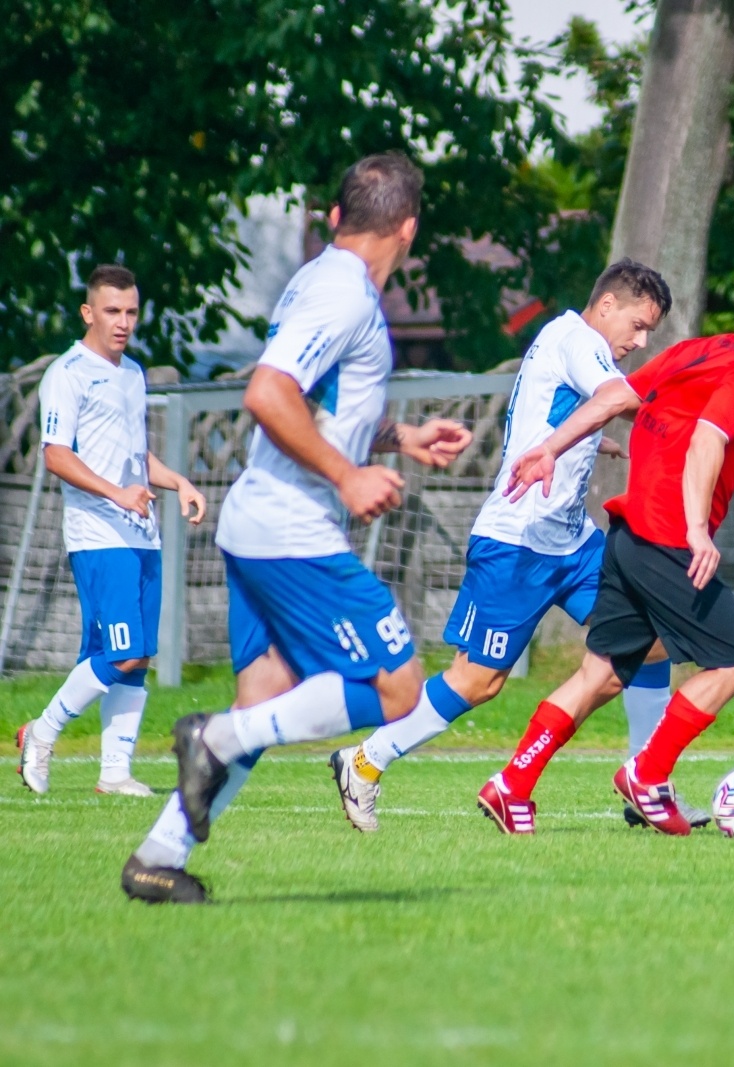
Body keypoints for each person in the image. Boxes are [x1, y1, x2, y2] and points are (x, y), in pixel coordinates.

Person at [120, 154, 473, 904]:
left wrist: (396, 436)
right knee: (399, 687)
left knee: (265, 701)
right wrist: (346, 477)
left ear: (338, 218)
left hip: (259, 524)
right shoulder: (345, 296)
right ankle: (210, 739)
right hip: (294, 530)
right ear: (409, 228)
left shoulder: (318, 279)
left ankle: (157, 856)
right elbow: (268, 392)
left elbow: (316, 405)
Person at [326, 260, 711, 831]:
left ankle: (645, 782)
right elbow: (617, 395)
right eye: (637, 324)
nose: (641, 340)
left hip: (571, 542)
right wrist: (686, 404)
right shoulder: (579, 340)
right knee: (478, 681)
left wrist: (594, 442)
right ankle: (363, 760)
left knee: (650, 639)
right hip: (516, 542)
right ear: (606, 305)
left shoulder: (568, 339)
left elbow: (549, 407)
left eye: (649, 331)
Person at [473, 266, 734, 835]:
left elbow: (614, 399)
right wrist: (696, 529)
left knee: (605, 673)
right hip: (666, 538)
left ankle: (512, 782)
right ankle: (649, 775)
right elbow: (709, 440)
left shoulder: (700, 350)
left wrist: (548, 449)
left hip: (627, 534)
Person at [17, 265, 205, 797]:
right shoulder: (69, 372)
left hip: (141, 532)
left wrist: (177, 481)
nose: (122, 322)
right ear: (88, 312)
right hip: (98, 533)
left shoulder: (133, 373)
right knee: (121, 652)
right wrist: (117, 494)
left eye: (130, 312)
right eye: (112, 311)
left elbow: (135, 454)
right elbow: (57, 455)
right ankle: (42, 733)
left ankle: (114, 773)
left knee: (136, 653)